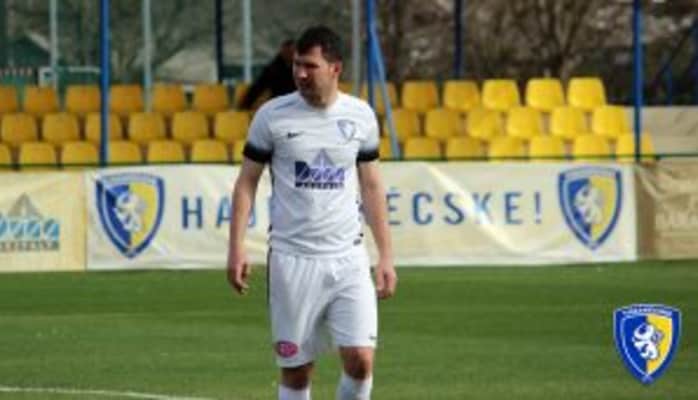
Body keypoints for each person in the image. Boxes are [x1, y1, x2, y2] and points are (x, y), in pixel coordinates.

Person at [226, 25, 397, 400]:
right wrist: (236, 248)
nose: (300, 73)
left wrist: (385, 255)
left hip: (349, 257)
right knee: (297, 371)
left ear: (335, 68)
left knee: (361, 361)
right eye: (297, 65)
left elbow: (371, 186)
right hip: (293, 260)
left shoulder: (361, 116)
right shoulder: (272, 116)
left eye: (310, 66)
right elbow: (246, 183)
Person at [238, 39, 296, 109]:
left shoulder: (301, 69)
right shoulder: (273, 69)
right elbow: (258, 87)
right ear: (282, 52)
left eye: (291, 52)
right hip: (278, 103)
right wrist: (245, 104)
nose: (289, 54)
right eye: (287, 52)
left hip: (297, 103)